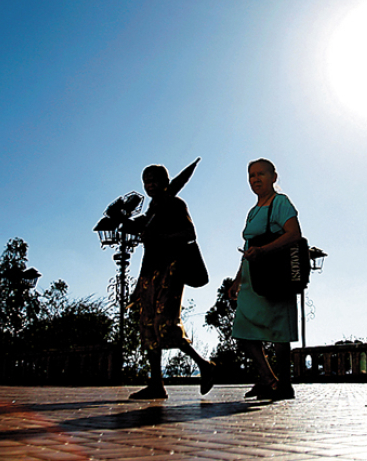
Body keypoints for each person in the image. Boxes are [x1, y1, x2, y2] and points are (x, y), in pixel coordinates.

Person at [128, 164, 216, 400]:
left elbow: (189, 234)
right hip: (149, 272)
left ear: (166, 181)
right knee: (147, 327)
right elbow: (146, 245)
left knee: (164, 324)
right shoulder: (152, 212)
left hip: (171, 271)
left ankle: (205, 365)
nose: (150, 185)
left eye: (154, 180)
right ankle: (156, 383)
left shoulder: (176, 205)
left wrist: (158, 237)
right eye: (146, 181)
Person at [229, 159, 301, 400]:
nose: (255, 179)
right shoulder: (253, 211)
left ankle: (285, 385)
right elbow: (248, 246)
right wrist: (238, 279)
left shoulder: (280, 203)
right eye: (251, 175)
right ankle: (268, 380)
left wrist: (264, 251)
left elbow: (294, 234)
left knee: (279, 331)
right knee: (244, 332)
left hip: (275, 275)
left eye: (261, 174)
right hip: (252, 278)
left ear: (274, 177)